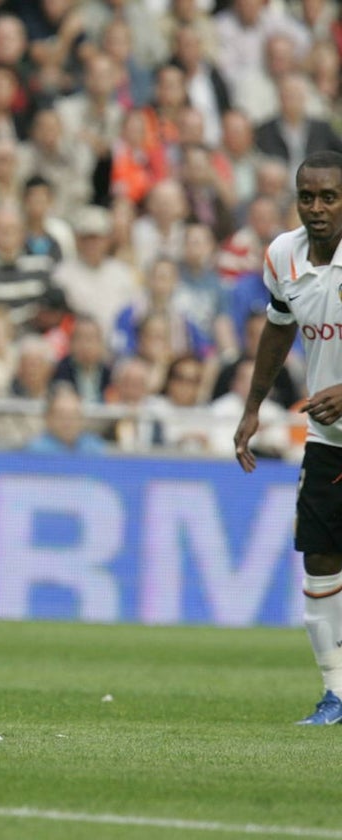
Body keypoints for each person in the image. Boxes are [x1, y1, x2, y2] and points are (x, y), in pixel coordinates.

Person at [235, 149, 342, 726]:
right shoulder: (283, 255)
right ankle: (336, 693)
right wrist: (253, 409)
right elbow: (278, 330)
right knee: (320, 558)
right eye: (308, 197)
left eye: (330, 197)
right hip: (329, 437)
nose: (317, 208)